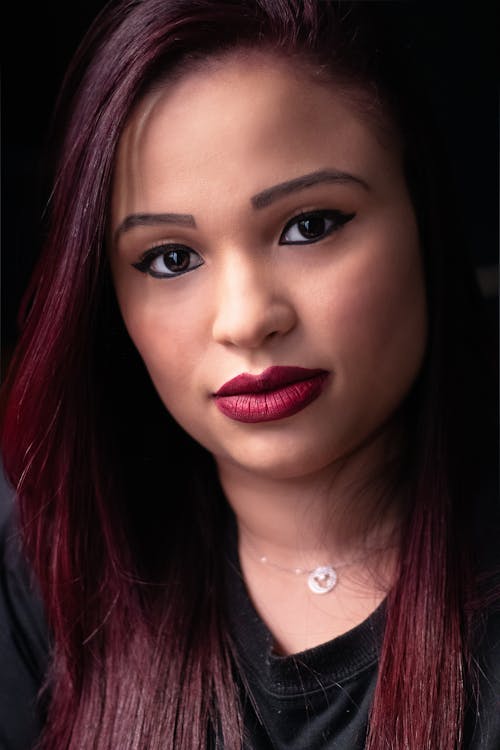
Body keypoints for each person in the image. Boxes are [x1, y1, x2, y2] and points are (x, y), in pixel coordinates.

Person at [0, 1, 498, 748]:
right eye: (171, 258)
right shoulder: (49, 560)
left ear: (423, 216)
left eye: (310, 225)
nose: (244, 318)